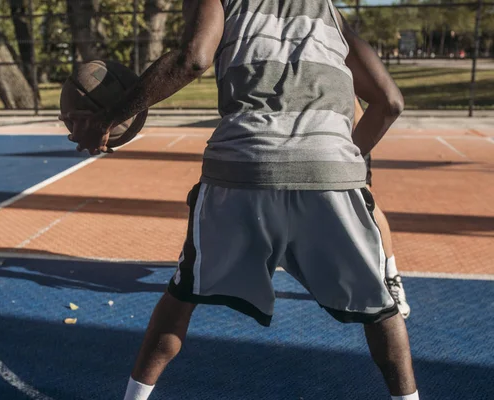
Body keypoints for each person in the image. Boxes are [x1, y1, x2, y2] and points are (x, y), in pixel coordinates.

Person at [61, 0, 419, 399]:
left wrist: (109, 117)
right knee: (382, 312)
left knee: (181, 298)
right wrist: (343, 161)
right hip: (330, 167)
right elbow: (390, 102)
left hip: (242, 165)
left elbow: (194, 58)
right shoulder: (328, 11)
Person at [353, 98, 411, 319]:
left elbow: (360, 119)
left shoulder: (339, 66)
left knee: (367, 203)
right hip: (310, 146)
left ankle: (391, 278)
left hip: (349, 145)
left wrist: (352, 153)